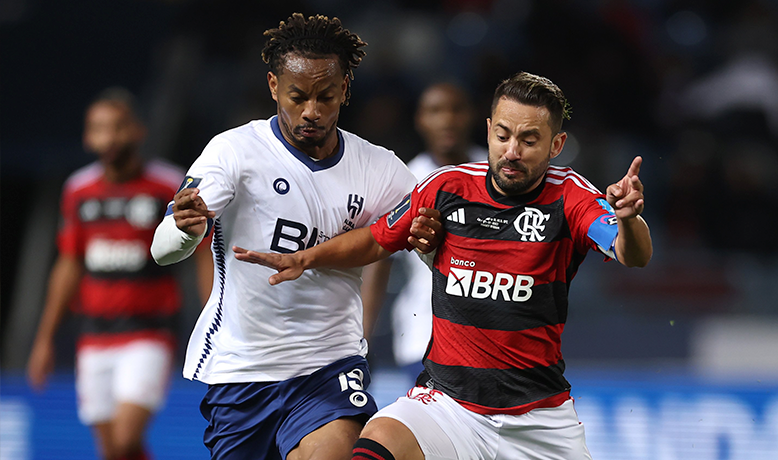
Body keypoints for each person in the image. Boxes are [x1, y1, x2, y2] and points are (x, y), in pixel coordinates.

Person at [232, 72, 653, 460]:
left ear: (556, 145)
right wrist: (305, 258)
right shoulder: (445, 186)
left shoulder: (572, 195)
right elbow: (376, 239)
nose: (511, 152)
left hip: (538, 419)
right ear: (488, 130)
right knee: (376, 442)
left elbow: (631, 253)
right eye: (503, 135)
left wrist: (630, 219)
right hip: (447, 405)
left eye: (529, 140)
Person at [149, 13, 443, 460]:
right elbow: (162, 250)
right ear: (273, 87)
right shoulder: (234, 152)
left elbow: (436, 243)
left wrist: (429, 240)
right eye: (297, 96)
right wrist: (184, 232)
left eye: (326, 96)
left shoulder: (379, 169)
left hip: (329, 365)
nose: (311, 110)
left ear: (345, 89)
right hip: (242, 370)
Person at [27, 87, 212, 460]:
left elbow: (204, 254)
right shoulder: (78, 190)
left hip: (149, 330)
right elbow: (69, 264)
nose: (109, 138)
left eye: (117, 127)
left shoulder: (168, 184)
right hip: (93, 334)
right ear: (87, 136)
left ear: (137, 131)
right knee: (114, 451)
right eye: (99, 128)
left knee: (126, 439)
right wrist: (44, 338)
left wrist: (213, 318)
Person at [361, 82, 488, 382]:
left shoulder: (499, 173)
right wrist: (362, 339)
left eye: (455, 110)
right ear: (420, 119)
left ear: (471, 116)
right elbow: (379, 259)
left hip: (492, 337)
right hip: (425, 337)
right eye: (435, 111)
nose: (447, 120)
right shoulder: (405, 182)